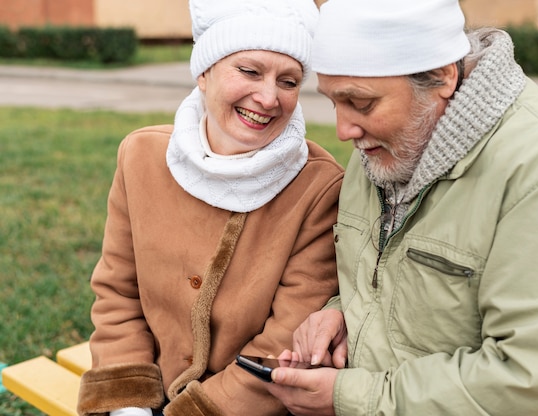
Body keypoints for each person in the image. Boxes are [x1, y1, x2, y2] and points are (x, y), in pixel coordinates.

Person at [266, 0, 538, 414]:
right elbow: (392, 282)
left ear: (442, 77)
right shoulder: (384, 149)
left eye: (361, 104)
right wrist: (341, 316)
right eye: (333, 101)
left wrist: (355, 398)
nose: (345, 129)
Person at [76, 0, 343, 415]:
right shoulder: (141, 156)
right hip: (146, 395)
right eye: (249, 71)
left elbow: (286, 341)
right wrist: (129, 405)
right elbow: (117, 294)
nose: (269, 97)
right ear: (204, 71)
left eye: (289, 81)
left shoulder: (319, 187)